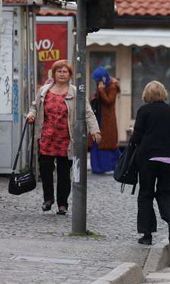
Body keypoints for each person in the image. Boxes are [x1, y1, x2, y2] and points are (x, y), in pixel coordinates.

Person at [26, 60, 101, 215]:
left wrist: (95, 130)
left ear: (70, 75)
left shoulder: (75, 92)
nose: (61, 74)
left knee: (64, 173)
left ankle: (62, 204)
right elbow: (35, 106)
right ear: (53, 74)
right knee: (46, 170)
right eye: (59, 71)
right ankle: (48, 199)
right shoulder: (44, 90)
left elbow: (88, 112)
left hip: (66, 140)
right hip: (46, 137)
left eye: (64, 71)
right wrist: (31, 115)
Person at [131, 81, 170, 245]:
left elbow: (137, 136)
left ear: (147, 95)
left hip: (149, 159)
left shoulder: (144, 110)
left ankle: (147, 234)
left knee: (146, 194)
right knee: (165, 192)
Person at [89, 67, 121, 174]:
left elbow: (109, 101)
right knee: (96, 141)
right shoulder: (101, 86)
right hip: (99, 117)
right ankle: (97, 167)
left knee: (106, 143)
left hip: (106, 119)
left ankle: (109, 166)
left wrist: (101, 90)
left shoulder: (112, 87)